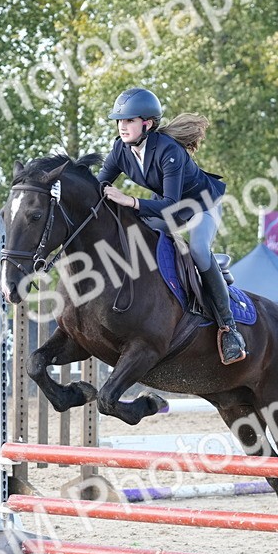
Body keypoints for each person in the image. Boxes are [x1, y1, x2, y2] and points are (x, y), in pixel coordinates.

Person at [97, 87, 247, 365]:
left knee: (200, 250)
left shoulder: (170, 151)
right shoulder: (120, 149)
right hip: (167, 207)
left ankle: (230, 330)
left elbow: (171, 205)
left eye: (128, 120)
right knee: (135, 235)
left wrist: (129, 200)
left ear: (147, 123)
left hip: (201, 205)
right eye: (119, 121)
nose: (122, 126)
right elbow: (99, 187)